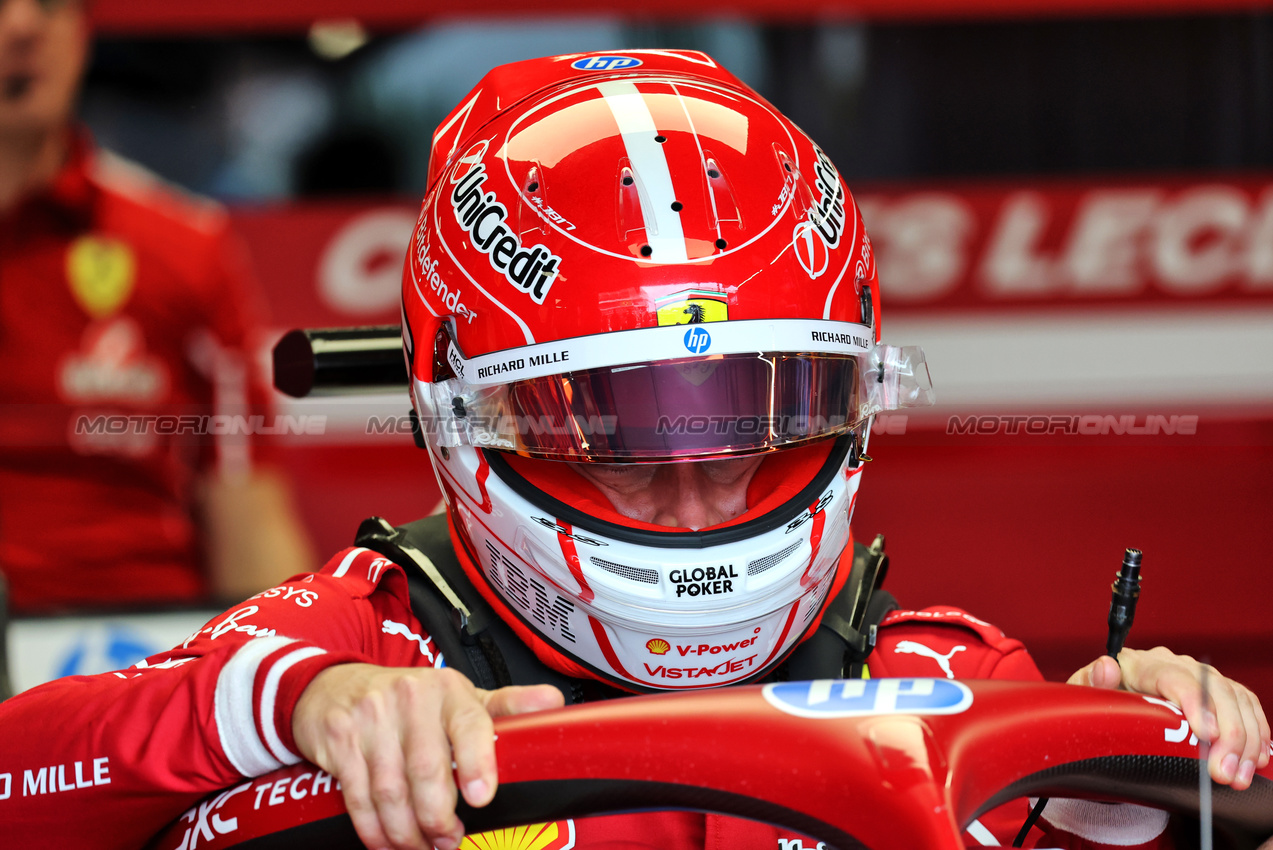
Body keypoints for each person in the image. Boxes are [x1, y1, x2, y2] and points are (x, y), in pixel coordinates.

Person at [0, 49, 1268, 850]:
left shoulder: (944, 674)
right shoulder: (355, 652)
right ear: (463, 419)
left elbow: (1165, 812)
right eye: (613, 437)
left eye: (757, 426)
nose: (694, 489)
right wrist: (306, 711)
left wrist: (1146, 775)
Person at [0, 0, 315, 612]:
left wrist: (302, 665)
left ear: (81, 37)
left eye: (49, 4)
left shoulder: (184, 249)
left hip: (127, 667)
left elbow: (250, 519)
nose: (23, 26)